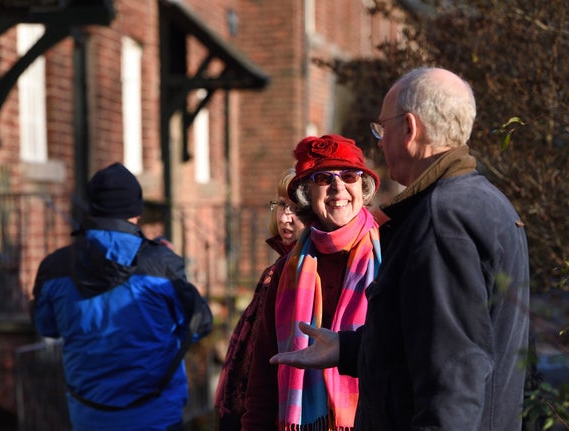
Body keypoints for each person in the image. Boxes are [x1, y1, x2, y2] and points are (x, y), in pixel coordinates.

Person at [271, 67, 530, 430]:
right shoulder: (486, 201)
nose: (379, 141)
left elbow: (455, 376)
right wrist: (349, 349)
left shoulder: (443, 220)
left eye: (382, 128)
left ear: (409, 128)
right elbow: (429, 343)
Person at [31, 162, 213, 431]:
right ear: (136, 213)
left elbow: (47, 326)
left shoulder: (54, 267)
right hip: (157, 416)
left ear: (92, 209)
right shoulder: (160, 264)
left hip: (88, 417)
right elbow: (200, 324)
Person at [242, 135, 382, 430]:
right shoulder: (286, 270)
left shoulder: (392, 253)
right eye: (323, 178)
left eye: (348, 176)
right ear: (307, 192)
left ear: (362, 187)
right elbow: (265, 373)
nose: (338, 188)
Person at [214, 167, 305, 431]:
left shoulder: (296, 271)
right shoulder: (277, 268)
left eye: (296, 208)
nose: (286, 217)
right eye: (281, 205)